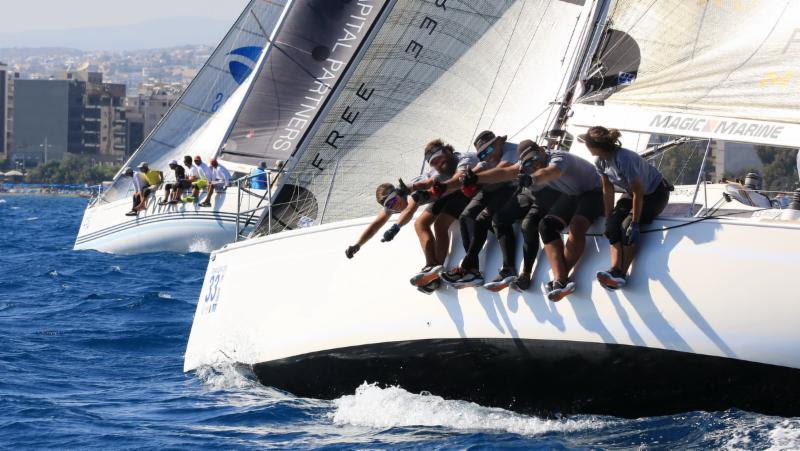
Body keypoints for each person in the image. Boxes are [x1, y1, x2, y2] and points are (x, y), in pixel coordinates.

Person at [583, 126, 671, 290]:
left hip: (655, 193)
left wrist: (635, 222)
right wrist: (609, 216)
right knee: (612, 226)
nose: (585, 146)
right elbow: (607, 189)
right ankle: (615, 269)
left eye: (587, 143)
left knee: (627, 228)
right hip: (632, 193)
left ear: (596, 147)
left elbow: (639, 192)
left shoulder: (624, 159)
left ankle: (621, 275)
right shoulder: (599, 161)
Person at [468, 140, 561, 291]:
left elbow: (548, 172)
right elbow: (504, 173)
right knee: (499, 219)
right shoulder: (524, 163)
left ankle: (526, 274)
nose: (534, 164)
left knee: (528, 225)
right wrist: (475, 178)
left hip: (551, 191)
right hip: (530, 193)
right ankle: (508, 268)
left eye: (535, 159)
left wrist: (533, 177)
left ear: (541, 151)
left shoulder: (555, 159)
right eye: (528, 162)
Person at [440, 130, 519, 288]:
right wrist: (446, 185)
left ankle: (506, 268)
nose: (487, 156)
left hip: (514, 187)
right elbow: (473, 172)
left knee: (493, 219)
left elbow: (502, 171)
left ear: (499, 142)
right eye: (482, 154)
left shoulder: (512, 151)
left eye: (489, 150)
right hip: (495, 187)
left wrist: (475, 178)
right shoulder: (486, 158)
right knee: (466, 216)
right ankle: (473, 271)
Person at [404, 139, 477, 291]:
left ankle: (436, 271)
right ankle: (431, 267)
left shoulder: (465, 158)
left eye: (439, 158)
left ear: (448, 151)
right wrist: (410, 188)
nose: (437, 163)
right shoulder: (437, 171)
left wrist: (434, 191)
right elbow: (427, 182)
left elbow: (459, 180)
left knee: (440, 225)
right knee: (420, 223)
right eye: (433, 162)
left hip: (465, 192)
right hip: (446, 193)